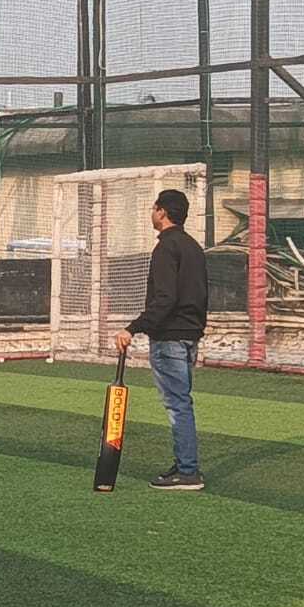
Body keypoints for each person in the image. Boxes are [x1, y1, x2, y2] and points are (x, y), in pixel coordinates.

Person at [115, 188, 209, 491]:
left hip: (170, 337)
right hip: (190, 335)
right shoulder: (193, 247)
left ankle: (188, 471)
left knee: (177, 405)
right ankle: (184, 464)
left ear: (162, 212)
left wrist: (132, 328)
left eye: (154, 208)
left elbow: (165, 298)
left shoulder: (166, 248)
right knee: (182, 401)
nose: (152, 214)